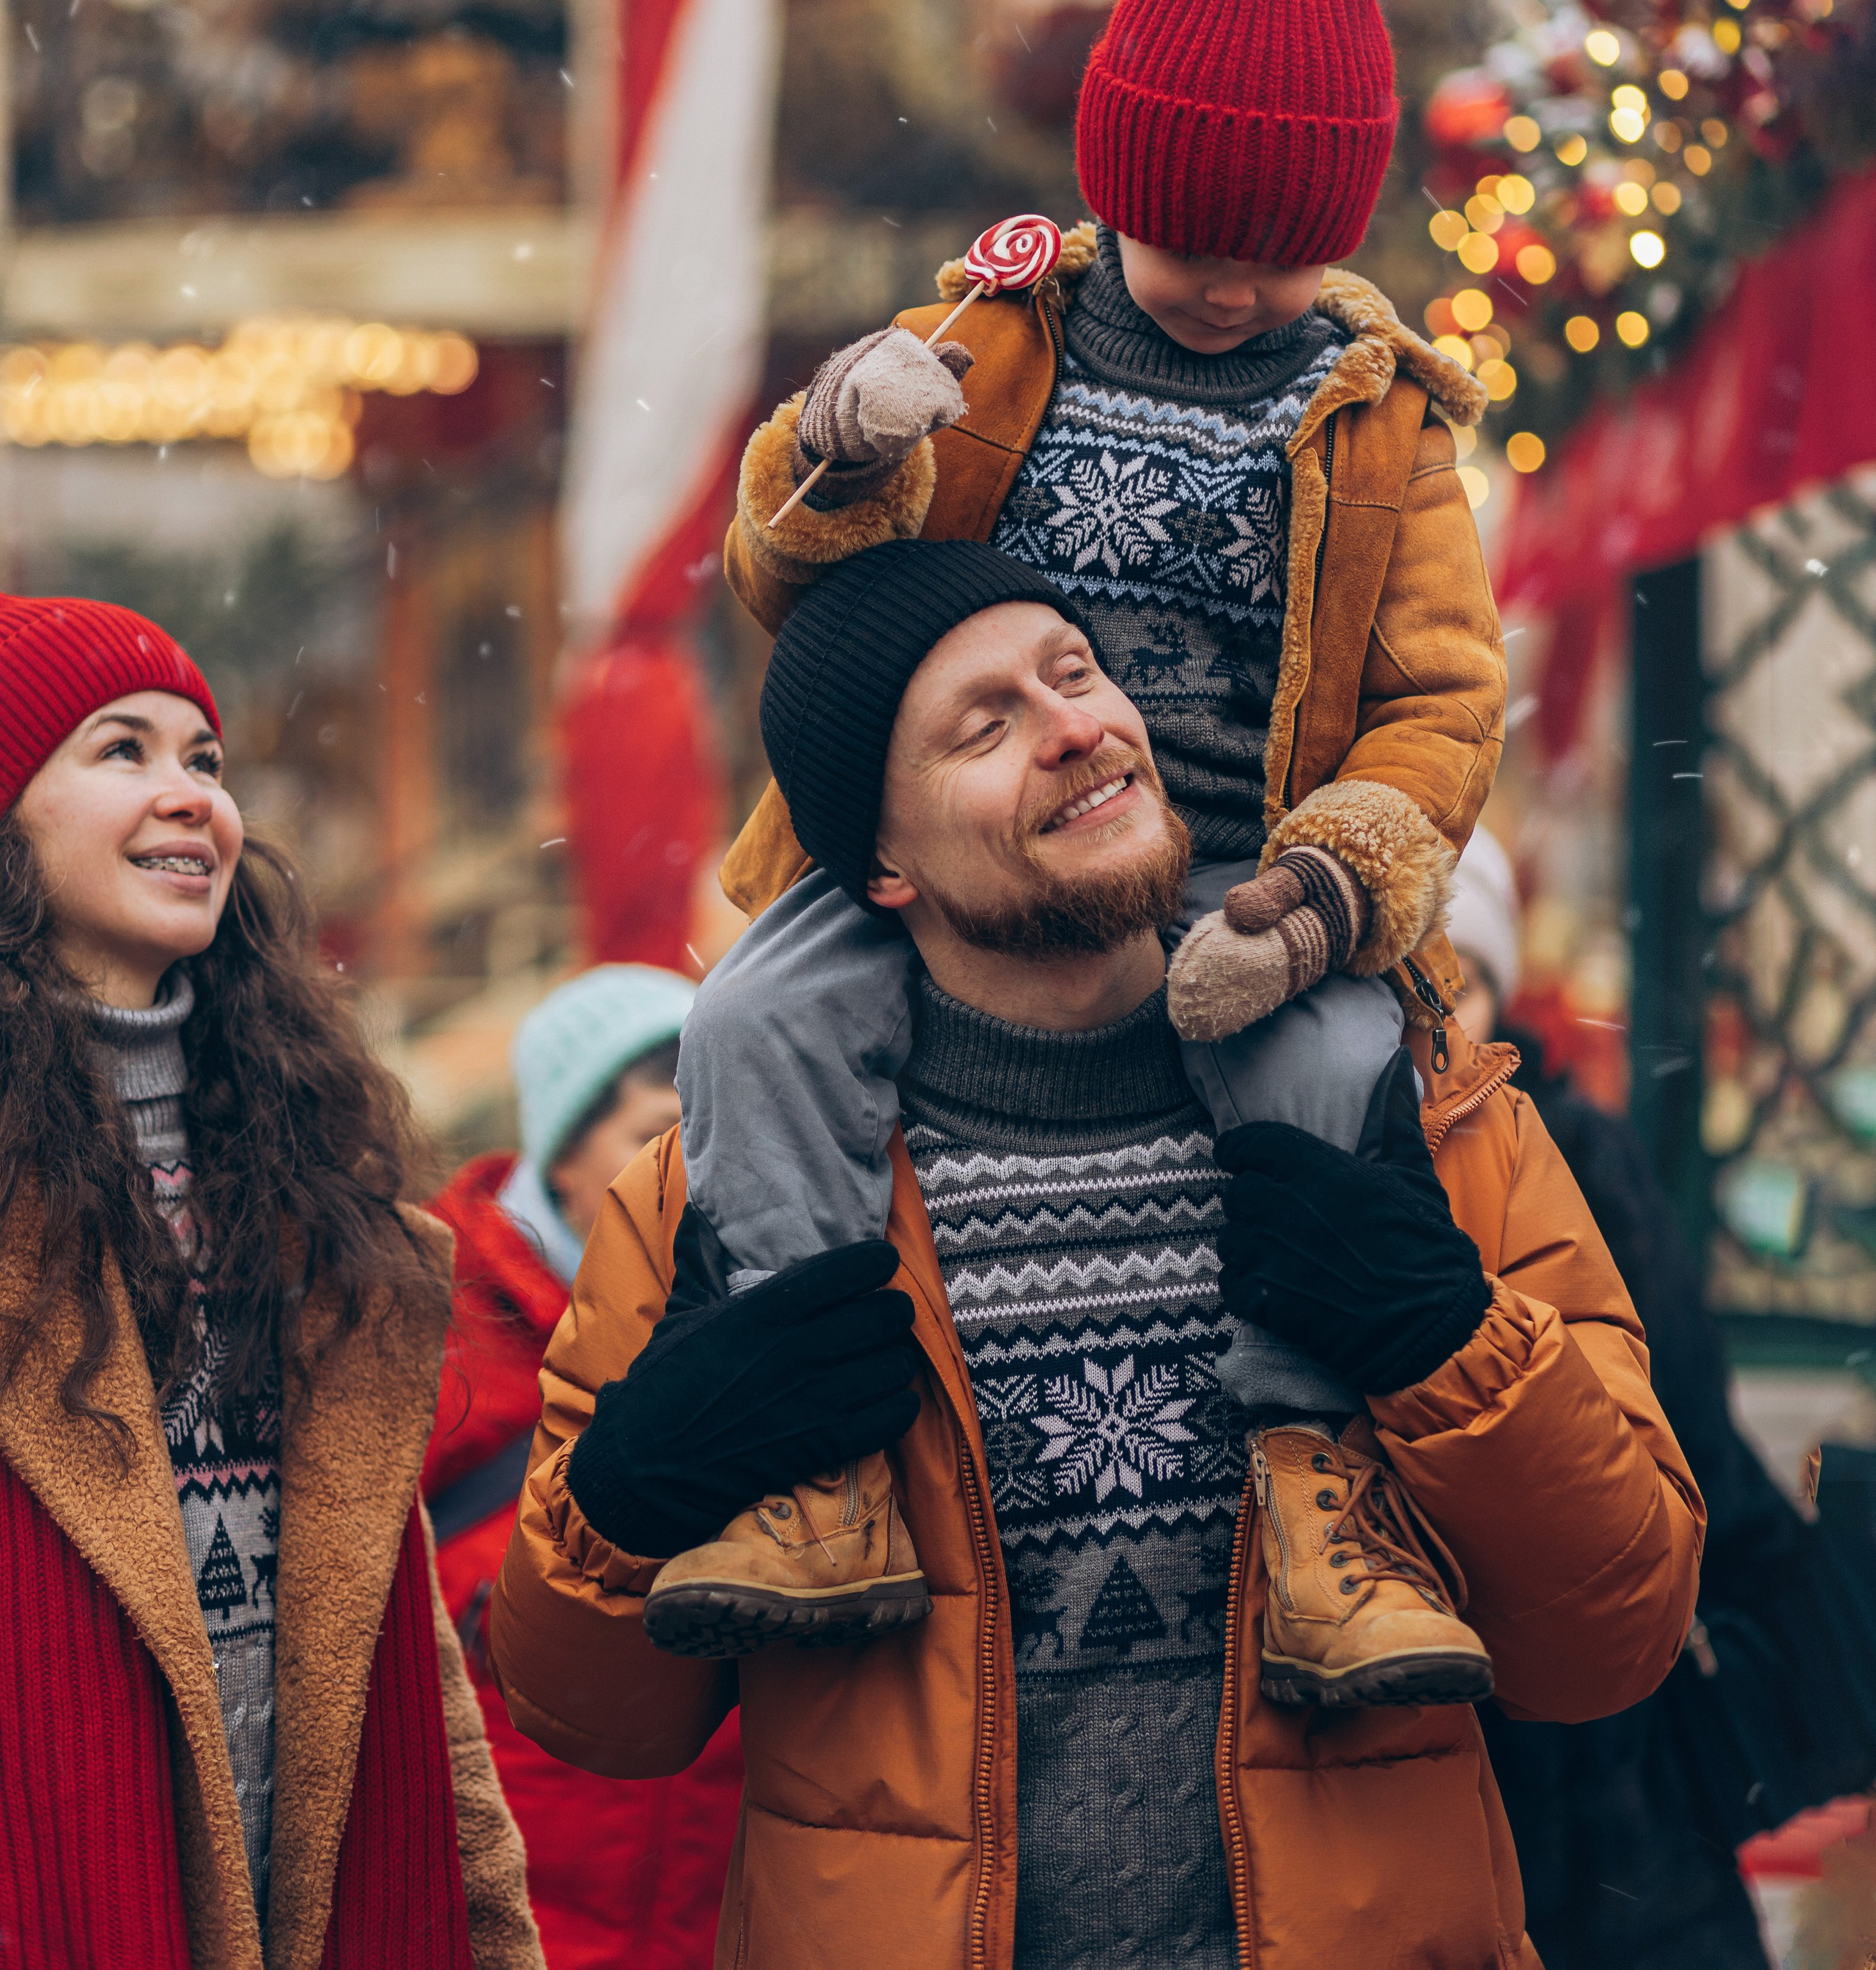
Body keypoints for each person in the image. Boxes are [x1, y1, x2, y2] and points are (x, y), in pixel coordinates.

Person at [490, 542, 1703, 1970]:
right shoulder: (722, 1201)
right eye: (983, 723)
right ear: (880, 862)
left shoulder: (1416, 1120)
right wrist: (633, 1493)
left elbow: (1612, 1632)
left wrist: (1442, 1340)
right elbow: (594, 1723)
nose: (1074, 723)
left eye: (1075, 673)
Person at [668, 0, 1509, 1699]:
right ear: (1110, 187)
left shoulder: (1380, 421)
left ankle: (1306, 1480)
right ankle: (815, 1452)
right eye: (1191, 240)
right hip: (960, 836)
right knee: (748, 1024)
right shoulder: (991, 328)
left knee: (1335, 1057)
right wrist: (839, 443)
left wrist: (1314, 898)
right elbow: (779, 572)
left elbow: (1440, 708)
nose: (1225, 286)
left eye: (1277, 252)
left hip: (1238, 870)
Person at [0, 592, 540, 1969]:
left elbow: (397, 1639)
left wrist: (493, 1929)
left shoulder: (312, 1188)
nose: (188, 797)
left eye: (206, 761)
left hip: (340, 1901)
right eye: (120, 750)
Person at [1444, 831, 1875, 1970]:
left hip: (1615, 1760)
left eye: (1462, 978)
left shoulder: (1580, 1160)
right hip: (1447, 1748)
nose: (1437, 1020)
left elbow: (1677, 1431)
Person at [422, 965, 743, 1970]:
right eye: (658, 1129)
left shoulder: (788, 1317)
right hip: (518, 1921)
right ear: (562, 1159)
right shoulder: (430, 1327)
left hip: (724, 1912)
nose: (695, 1165)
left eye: (723, 1123)